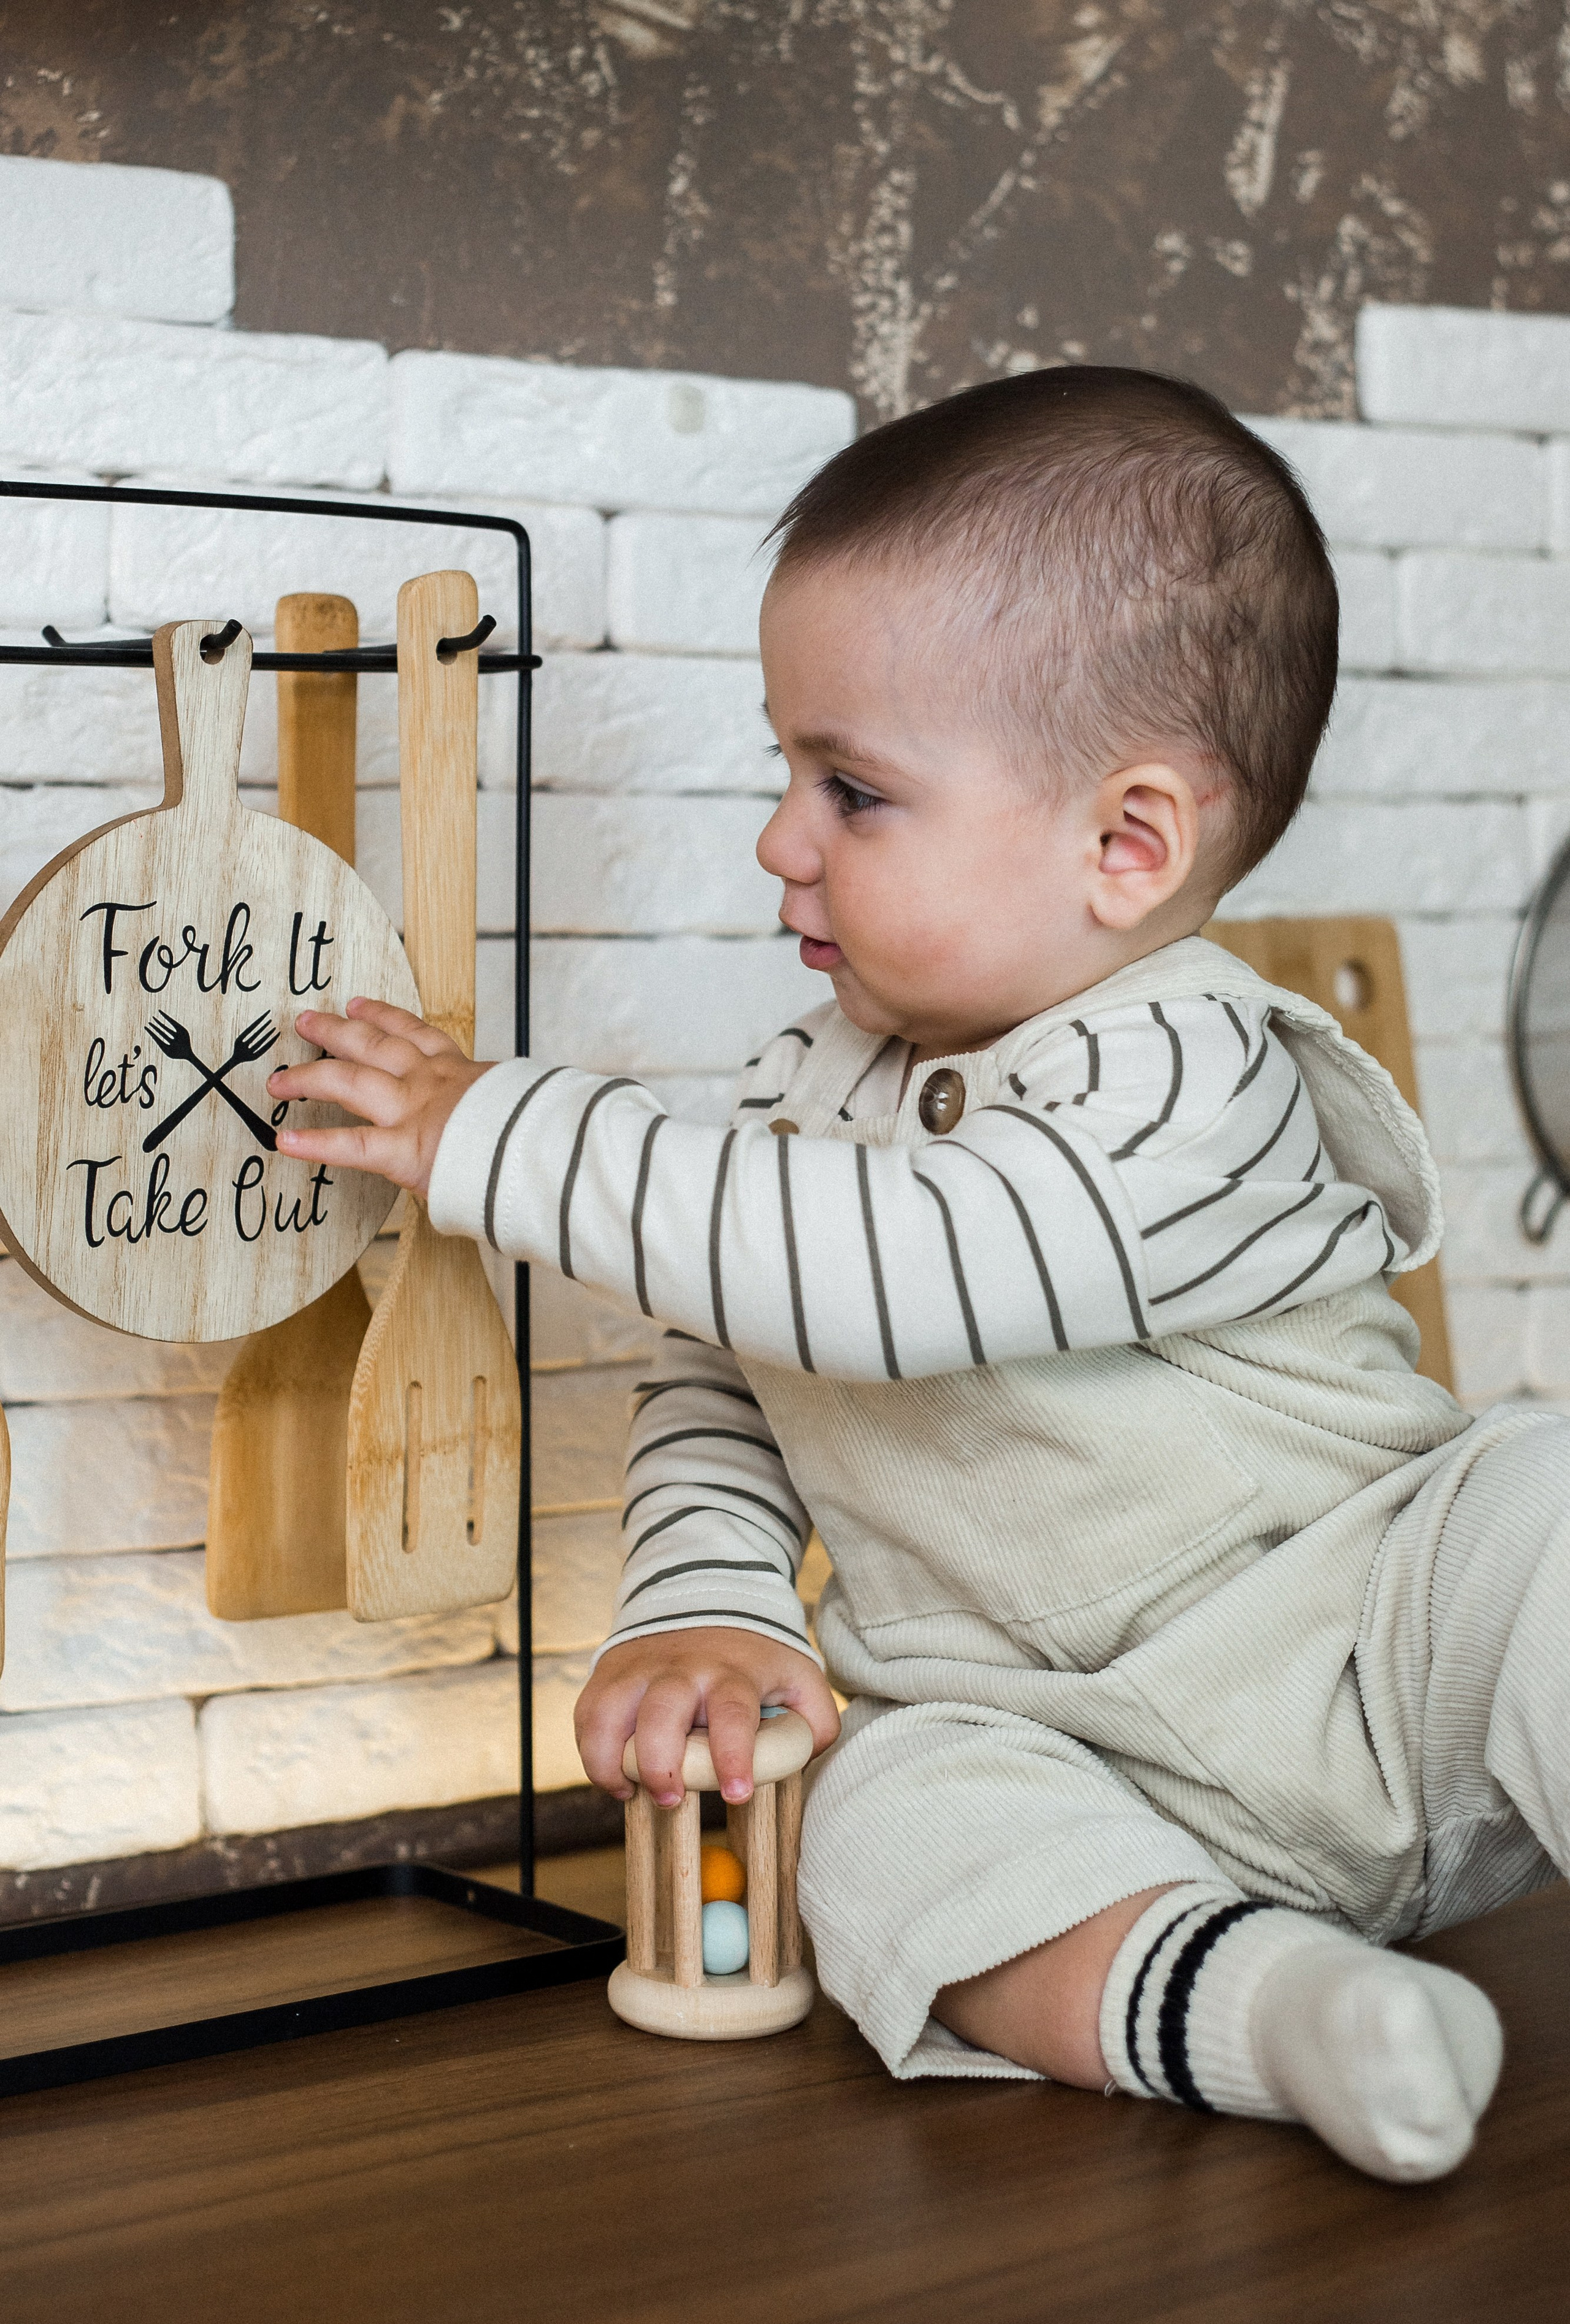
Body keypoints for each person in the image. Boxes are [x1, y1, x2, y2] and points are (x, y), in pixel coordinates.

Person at [269, 366, 1567, 2185]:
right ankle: (1277, 2013)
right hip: (1064, 1761)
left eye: (852, 789)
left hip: (1371, 1652)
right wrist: (706, 1605)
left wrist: (498, 1134)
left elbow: (901, 1276)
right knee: (869, 1823)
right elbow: (730, 1373)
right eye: (784, 768)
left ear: (1128, 846)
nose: (779, 839)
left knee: (1543, 1506)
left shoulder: (1188, 1069)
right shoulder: (800, 1096)